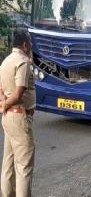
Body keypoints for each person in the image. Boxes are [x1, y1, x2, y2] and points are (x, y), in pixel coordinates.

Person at [0, 28, 36, 197]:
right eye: (29, 43)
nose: (31, 46)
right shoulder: (22, 62)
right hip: (19, 117)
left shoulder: (6, 61)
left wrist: (3, 104)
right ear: (24, 44)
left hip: (8, 118)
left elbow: (1, 89)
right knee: (23, 167)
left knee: (8, 164)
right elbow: (18, 94)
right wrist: (5, 104)